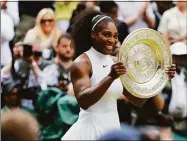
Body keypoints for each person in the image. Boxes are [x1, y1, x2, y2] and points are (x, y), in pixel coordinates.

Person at [61, 9, 176, 140]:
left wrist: (160, 77)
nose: (112, 40)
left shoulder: (115, 61)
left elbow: (137, 101)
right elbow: (84, 101)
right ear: (93, 34)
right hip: (89, 131)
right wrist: (110, 77)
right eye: (107, 34)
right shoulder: (82, 63)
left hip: (113, 128)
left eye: (115, 36)